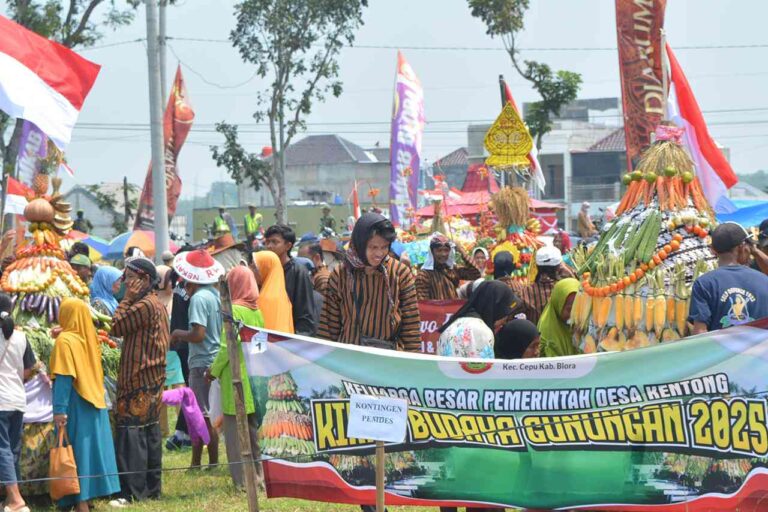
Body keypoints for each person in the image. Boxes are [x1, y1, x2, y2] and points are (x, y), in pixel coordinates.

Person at [50, 298, 120, 511]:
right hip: (95, 402)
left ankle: (80, 502)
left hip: (76, 403)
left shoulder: (65, 341)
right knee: (91, 453)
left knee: (77, 452)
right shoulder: (89, 338)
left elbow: (63, 377)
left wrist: (60, 410)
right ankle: (87, 499)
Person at [110, 257, 170, 503]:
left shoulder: (144, 304)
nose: (126, 284)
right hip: (150, 377)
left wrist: (125, 299)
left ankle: (133, 493)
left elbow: (116, 326)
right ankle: (151, 489)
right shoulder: (154, 302)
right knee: (148, 432)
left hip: (138, 379)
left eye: (130, 279)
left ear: (145, 280)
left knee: (132, 434)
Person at [318, 212, 421, 352]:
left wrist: (413, 363)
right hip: (350, 359)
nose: (379, 253)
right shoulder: (341, 274)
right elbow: (329, 326)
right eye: (373, 247)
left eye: (384, 247)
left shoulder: (400, 273)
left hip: (388, 360)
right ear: (360, 244)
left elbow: (411, 326)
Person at [207, 266, 264, 488]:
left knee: (234, 433)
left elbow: (225, 346)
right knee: (252, 433)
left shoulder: (234, 310)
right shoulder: (257, 311)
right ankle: (259, 477)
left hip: (235, 377)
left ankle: (242, 481)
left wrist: (212, 371)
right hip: (254, 377)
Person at [170, 249, 225, 469]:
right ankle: (203, 462)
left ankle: (204, 462)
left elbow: (198, 334)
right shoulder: (213, 294)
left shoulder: (199, 300)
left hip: (201, 361)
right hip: (211, 359)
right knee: (205, 413)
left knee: (200, 415)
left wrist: (177, 334)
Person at [689, 222, 768, 334]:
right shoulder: (764, 281)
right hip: (759, 351)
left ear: (712, 249)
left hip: (720, 350)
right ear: (742, 247)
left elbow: (699, 332)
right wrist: (754, 251)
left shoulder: (704, 283)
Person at [0, 294, 35, 512]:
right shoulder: (21, 337)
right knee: (12, 450)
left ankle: (15, 500)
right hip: (17, 400)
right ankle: (11, 501)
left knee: (2, 450)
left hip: (1, 401)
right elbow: (29, 369)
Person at [437, 281, 520, 359]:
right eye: (506, 314)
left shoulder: (454, 324)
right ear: (497, 308)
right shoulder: (481, 331)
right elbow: (482, 371)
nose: (505, 320)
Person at [264, 224, 317, 335]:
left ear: (288, 246)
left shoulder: (298, 272)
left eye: (274, 242)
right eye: (267, 242)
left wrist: (293, 343)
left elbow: (306, 315)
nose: (269, 246)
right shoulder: (265, 271)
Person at [165, 266, 193, 451]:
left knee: (190, 389)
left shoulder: (179, 286)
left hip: (179, 343)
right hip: (188, 343)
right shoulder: (188, 289)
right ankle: (182, 434)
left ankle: (182, 434)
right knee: (192, 390)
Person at [415, 232, 481, 301]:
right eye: (439, 250)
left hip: (454, 310)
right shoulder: (424, 275)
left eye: (446, 250)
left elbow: (476, 274)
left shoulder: (452, 269)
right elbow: (422, 302)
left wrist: (461, 251)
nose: (443, 254)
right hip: (434, 311)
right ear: (432, 252)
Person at [516, 246, 567, 325]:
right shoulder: (566, 290)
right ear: (559, 267)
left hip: (535, 335)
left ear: (537, 266)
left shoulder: (524, 292)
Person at [251, 251, 294, 333]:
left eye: (254, 267)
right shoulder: (281, 294)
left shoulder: (267, 297)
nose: (251, 271)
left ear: (264, 269)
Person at [538, 278, 580, 358]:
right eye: (569, 309)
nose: (574, 314)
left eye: (578, 308)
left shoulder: (580, 325)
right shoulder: (548, 332)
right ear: (558, 305)